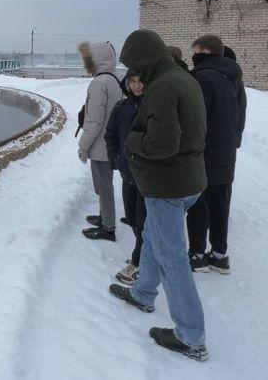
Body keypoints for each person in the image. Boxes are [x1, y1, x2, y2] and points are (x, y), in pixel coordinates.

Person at [108, 29, 209, 362]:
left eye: (135, 63)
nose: (134, 71)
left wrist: (131, 141)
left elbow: (161, 144)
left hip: (169, 185)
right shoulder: (183, 79)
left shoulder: (163, 87)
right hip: (187, 180)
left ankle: (190, 336)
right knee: (153, 236)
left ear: (146, 59)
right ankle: (143, 293)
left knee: (172, 258)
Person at [186, 34, 246, 274]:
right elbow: (240, 116)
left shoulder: (202, 77)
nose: (193, 56)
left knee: (198, 204)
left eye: (195, 51)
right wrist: (233, 142)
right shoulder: (234, 79)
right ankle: (220, 256)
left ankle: (197, 255)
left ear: (205, 52)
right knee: (221, 204)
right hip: (226, 153)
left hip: (202, 153)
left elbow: (195, 119)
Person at [77, 41, 123, 241]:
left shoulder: (99, 83)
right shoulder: (114, 79)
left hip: (100, 144)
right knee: (105, 185)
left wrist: (83, 147)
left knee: (104, 187)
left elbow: (94, 120)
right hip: (110, 142)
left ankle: (108, 227)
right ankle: (104, 216)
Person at [104, 68, 146, 285]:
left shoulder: (153, 106)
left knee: (144, 223)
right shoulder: (122, 107)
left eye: (141, 81)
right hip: (128, 174)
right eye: (133, 81)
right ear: (127, 83)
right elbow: (110, 135)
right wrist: (116, 160)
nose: (137, 85)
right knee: (132, 217)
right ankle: (142, 253)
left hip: (147, 178)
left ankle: (139, 263)